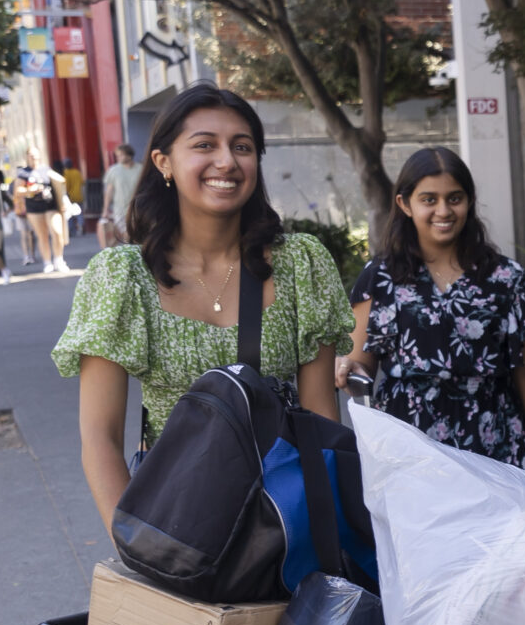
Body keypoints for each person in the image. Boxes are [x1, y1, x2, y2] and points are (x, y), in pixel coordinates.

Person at [54, 83, 354, 531]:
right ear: (163, 162)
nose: (227, 162)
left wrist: (327, 539)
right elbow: (99, 438)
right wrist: (136, 546)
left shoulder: (300, 264)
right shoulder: (122, 278)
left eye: (242, 147)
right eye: (204, 145)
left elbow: (320, 420)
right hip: (175, 523)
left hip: (285, 522)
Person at [340, 148, 525, 474]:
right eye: (428, 199)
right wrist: (346, 365)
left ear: (469, 201)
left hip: (498, 450)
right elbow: (360, 364)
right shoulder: (381, 277)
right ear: (405, 204)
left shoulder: (505, 278)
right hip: (412, 455)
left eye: (454, 198)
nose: (443, 210)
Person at [19, 159, 70, 274]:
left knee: (57, 232)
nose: (34, 159)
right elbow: (18, 190)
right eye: (31, 157)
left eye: (36, 156)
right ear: (27, 158)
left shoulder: (46, 169)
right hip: (34, 206)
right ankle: (47, 262)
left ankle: (59, 259)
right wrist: (30, 190)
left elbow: (59, 182)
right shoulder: (24, 173)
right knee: (42, 235)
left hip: (50, 204)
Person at [99, 143, 142, 247]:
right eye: (117, 155)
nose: (118, 157)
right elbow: (109, 191)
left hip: (139, 208)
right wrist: (105, 210)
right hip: (120, 210)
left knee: (137, 237)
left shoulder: (141, 169)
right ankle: (130, 258)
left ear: (129, 155)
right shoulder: (113, 170)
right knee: (126, 236)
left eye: (121, 155)